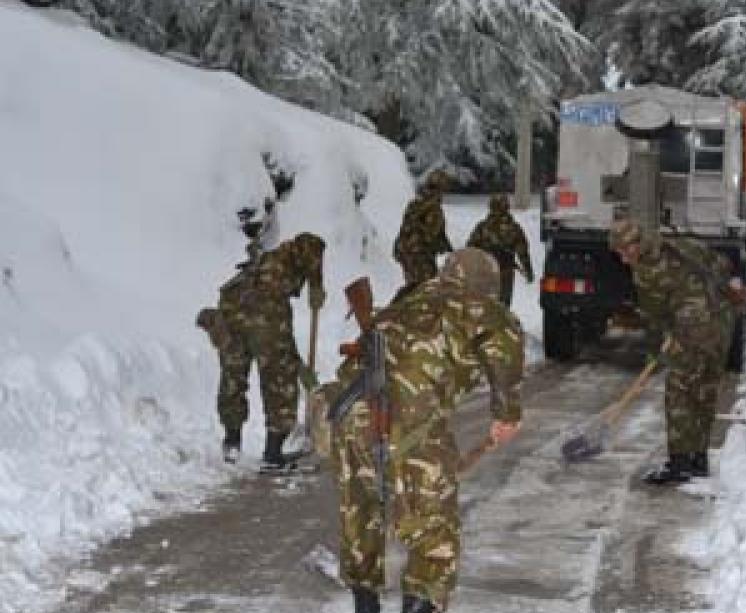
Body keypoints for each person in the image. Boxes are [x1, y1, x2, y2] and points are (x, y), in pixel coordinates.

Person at [310, 248, 524, 613]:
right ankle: (419, 603)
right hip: (411, 426)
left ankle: (365, 601)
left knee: (361, 513)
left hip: (350, 414)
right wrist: (506, 415)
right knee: (433, 532)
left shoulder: (411, 299)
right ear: (488, 285)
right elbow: (505, 361)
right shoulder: (485, 310)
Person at [196, 200, 326, 469]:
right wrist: (316, 283)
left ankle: (232, 444)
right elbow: (314, 243)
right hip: (267, 322)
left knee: (233, 380)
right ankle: (273, 452)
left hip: (232, 317)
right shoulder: (287, 252)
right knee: (278, 380)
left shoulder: (247, 266)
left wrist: (314, 285)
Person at [608, 218, 733, 485]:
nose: (623, 258)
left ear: (637, 244)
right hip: (721, 324)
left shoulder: (646, 270)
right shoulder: (680, 245)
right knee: (704, 390)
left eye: (624, 250)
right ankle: (698, 459)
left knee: (678, 394)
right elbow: (721, 265)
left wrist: (660, 347)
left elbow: (655, 315)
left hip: (694, 331)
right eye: (618, 252)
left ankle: (679, 464)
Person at [465, 193, 534, 307]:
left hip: (485, 271)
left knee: (485, 305)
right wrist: (528, 271)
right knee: (503, 306)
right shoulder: (514, 228)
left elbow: (470, 249)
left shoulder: (482, 227)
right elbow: (523, 251)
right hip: (505, 272)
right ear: (507, 207)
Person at [392, 169, 454, 292]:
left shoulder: (415, 204)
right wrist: (442, 246)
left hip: (405, 251)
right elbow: (430, 236)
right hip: (420, 255)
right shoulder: (434, 208)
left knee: (413, 286)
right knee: (426, 289)